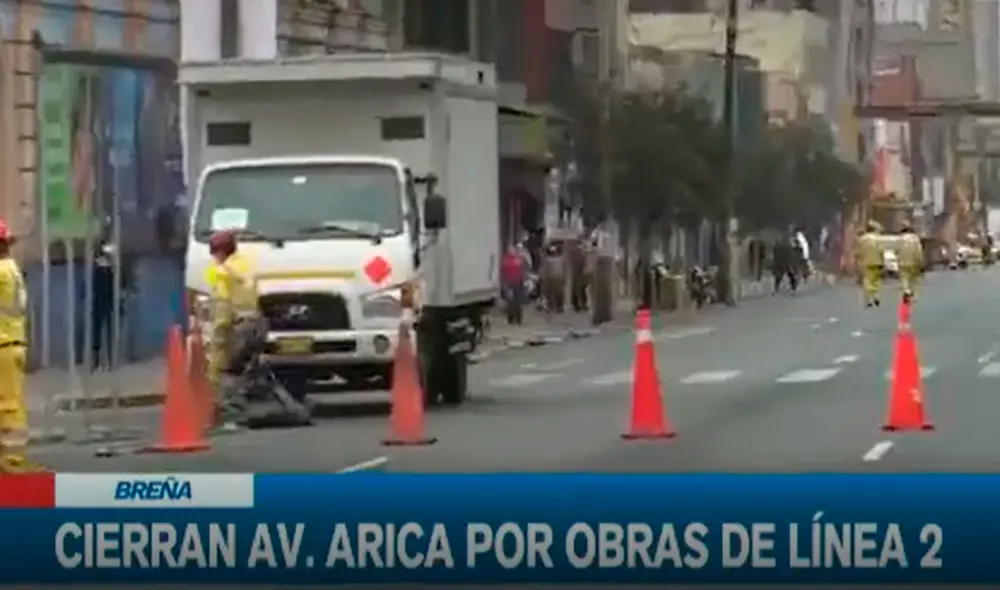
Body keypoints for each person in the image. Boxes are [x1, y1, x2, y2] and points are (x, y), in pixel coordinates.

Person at [204, 230, 258, 429]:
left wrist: (217, 335)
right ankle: (239, 413)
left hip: (234, 326)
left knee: (224, 371)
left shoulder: (223, 272)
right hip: (254, 323)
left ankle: (230, 417)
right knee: (242, 370)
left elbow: (223, 305)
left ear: (219, 251)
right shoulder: (244, 265)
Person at [0, 220, 41, 472]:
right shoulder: (11, 268)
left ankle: (12, 459)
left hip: (4, 343)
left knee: (8, 405)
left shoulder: (2, 272)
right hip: (10, 343)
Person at [856, 220, 884, 308]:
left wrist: (858, 261)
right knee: (875, 280)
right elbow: (881, 251)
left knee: (867, 280)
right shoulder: (878, 238)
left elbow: (858, 252)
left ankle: (868, 301)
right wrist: (883, 261)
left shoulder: (862, 239)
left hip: (865, 262)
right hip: (877, 261)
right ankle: (875, 296)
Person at [897, 222, 924, 303]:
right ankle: (912, 294)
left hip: (902, 261)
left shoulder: (900, 239)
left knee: (904, 277)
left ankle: (906, 290)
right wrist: (920, 262)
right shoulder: (915, 239)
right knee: (913, 279)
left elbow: (896, 250)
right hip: (914, 261)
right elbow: (919, 251)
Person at [500, 245, 526, 325]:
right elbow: (522, 272)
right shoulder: (518, 260)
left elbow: (503, 273)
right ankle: (518, 319)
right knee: (517, 302)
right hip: (517, 283)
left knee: (510, 302)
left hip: (510, 284)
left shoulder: (505, 261)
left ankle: (511, 319)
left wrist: (503, 283)